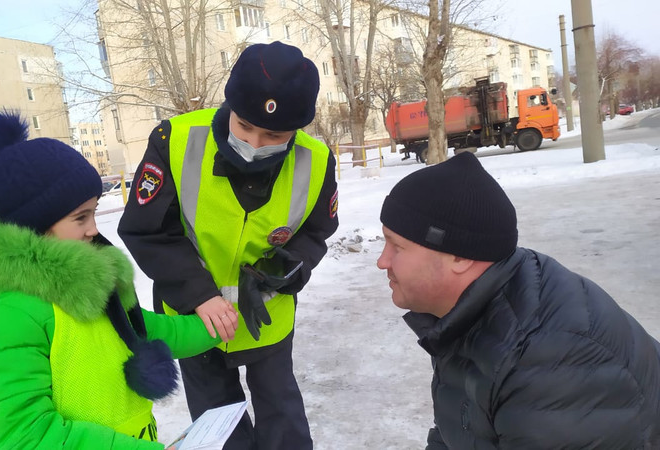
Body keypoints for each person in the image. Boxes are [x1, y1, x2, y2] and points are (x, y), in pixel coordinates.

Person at [0, 109, 236, 449]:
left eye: (93, 213)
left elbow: (148, 330)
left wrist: (221, 322)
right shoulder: (5, 315)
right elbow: (24, 436)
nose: (94, 229)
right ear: (33, 222)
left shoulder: (84, 286)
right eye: (80, 218)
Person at [118, 41, 339, 450]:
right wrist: (198, 294)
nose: (255, 145)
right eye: (244, 127)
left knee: (282, 413)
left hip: (266, 318)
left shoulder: (318, 160)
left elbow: (317, 230)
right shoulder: (175, 140)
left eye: (273, 134)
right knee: (217, 422)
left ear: (297, 129)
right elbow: (145, 230)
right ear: (230, 107)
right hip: (193, 319)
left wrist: (289, 269)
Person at [376, 152, 660, 448]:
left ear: (459, 256)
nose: (382, 262)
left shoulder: (551, 365)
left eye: (397, 246)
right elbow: (458, 432)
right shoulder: (473, 309)